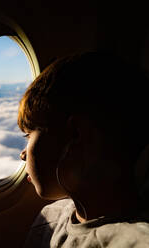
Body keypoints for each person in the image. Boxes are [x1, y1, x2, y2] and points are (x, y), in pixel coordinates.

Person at [18, 52, 149, 247]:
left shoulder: (137, 241)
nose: (22, 154)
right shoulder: (50, 218)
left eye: (29, 135)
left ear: (76, 134)